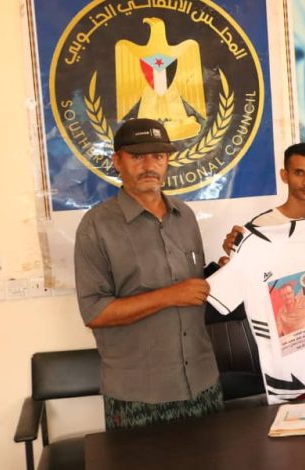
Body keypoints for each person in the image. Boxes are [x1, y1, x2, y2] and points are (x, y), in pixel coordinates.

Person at [74, 118, 222, 430]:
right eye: (137, 156)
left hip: (202, 383)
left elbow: (193, 286)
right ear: (117, 161)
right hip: (139, 395)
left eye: (158, 156)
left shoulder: (185, 216)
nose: (149, 166)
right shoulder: (96, 226)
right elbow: (94, 312)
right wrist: (169, 296)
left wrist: (225, 269)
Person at [221, 142, 305, 281]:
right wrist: (237, 254)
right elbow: (254, 279)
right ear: (284, 175)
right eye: (299, 173)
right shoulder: (261, 225)